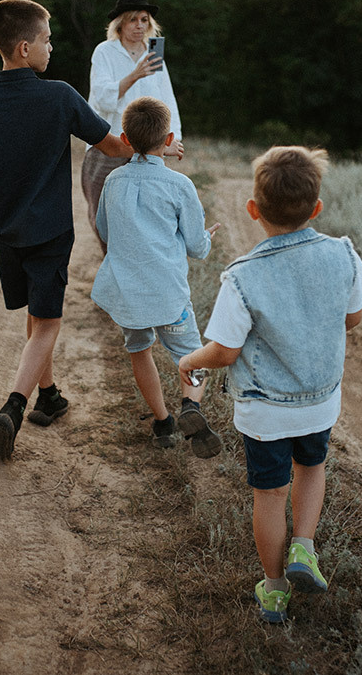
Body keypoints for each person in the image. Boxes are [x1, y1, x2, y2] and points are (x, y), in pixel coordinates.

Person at [178, 146, 362, 624]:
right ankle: (304, 547)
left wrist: (189, 360)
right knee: (312, 467)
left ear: (252, 210)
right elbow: (354, 317)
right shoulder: (342, 253)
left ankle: (273, 589)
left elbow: (224, 352)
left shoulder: (243, 276)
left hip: (265, 410)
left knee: (269, 495)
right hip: (319, 401)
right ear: (316, 209)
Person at [0, 0, 135, 461]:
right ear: (26, 48)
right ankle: (12, 408)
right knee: (48, 322)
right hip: (50, 231)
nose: (53, 47)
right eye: (48, 40)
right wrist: (154, 146)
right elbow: (112, 145)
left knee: (35, 308)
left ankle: (48, 395)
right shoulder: (60, 96)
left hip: (5, 232)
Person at [90, 96, 223, 456]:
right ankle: (191, 406)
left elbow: (103, 229)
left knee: (139, 351)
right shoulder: (180, 186)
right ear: (169, 140)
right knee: (194, 355)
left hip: (129, 296)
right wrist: (206, 237)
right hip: (169, 296)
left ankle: (163, 422)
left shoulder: (113, 181)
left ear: (125, 139)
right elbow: (197, 248)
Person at [83, 0, 183, 251]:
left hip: (147, 143)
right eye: (133, 20)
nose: (139, 26)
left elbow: (166, 97)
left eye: (144, 20)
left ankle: (132, 260)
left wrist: (173, 136)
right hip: (109, 141)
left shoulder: (153, 52)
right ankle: (110, 256)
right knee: (101, 210)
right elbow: (102, 98)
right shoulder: (104, 52)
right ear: (120, 24)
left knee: (144, 209)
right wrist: (135, 75)